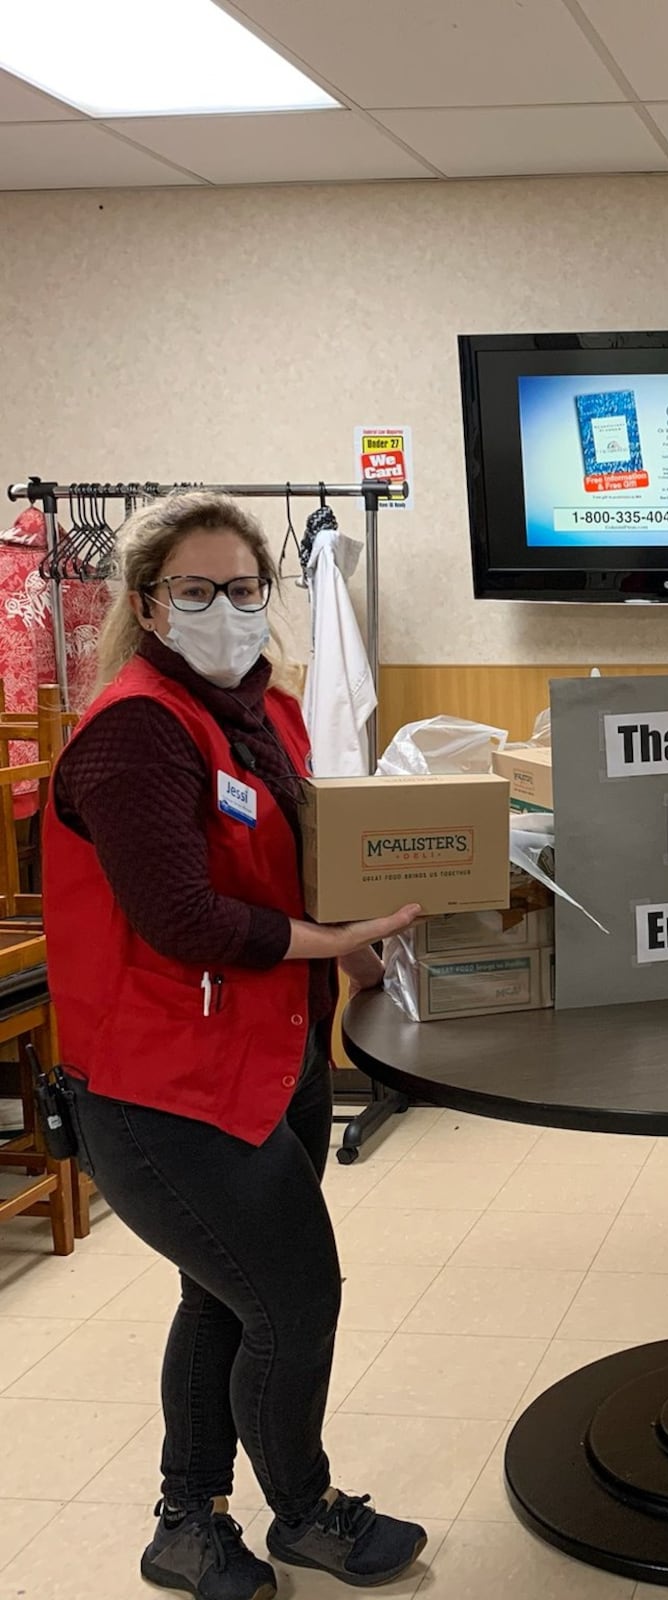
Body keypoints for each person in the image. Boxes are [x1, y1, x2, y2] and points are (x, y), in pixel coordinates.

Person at [44, 494, 429, 1600]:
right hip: (162, 1091)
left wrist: (355, 955)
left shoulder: (272, 714)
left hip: (267, 1062)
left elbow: (300, 862)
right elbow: (185, 919)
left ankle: (186, 1518)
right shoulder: (130, 729)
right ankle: (302, 1509)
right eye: (197, 592)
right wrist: (333, 938)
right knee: (291, 1300)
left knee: (221, 1295)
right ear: (149, 605)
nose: (226, 611)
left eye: (245, 590)